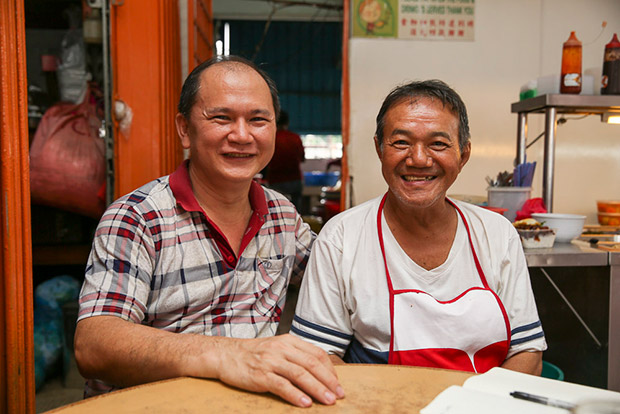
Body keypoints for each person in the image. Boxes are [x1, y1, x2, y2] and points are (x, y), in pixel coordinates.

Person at [74, 55, 344, 408]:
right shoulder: (136, 218)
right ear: (185, 129)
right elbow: (94, 344)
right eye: (222, 118)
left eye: (258, 120)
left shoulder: (282, 215)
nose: (243, 135)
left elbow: (335, 281)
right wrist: (229, 356)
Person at [291, 80, 547, 375]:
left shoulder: (497, 234)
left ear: (463, 154)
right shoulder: (341, 238)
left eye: (438, 144)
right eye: (401, 142)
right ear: (379, 148)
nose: (419, 159)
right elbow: (319, 355)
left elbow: (526, 350)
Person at [265, 110, 305, 211]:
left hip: (276, 180)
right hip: (295, 180)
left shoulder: (271, 138)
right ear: (287, 123)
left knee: (276, 211)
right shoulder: (295, 138)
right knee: (296, 212)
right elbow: (302, 159)